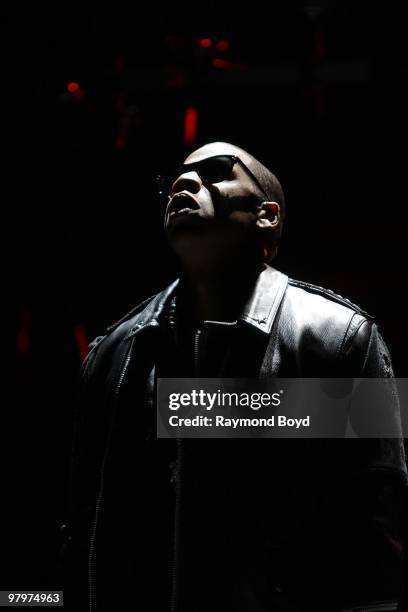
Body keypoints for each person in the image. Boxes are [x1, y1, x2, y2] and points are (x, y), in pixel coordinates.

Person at [63, 142, 407, 611]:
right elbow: (82, 523)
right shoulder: (114, 353)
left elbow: (377, 529)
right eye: (178, 178)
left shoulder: (338, 337)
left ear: (267, 215)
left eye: (217, 171)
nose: (183, 184)